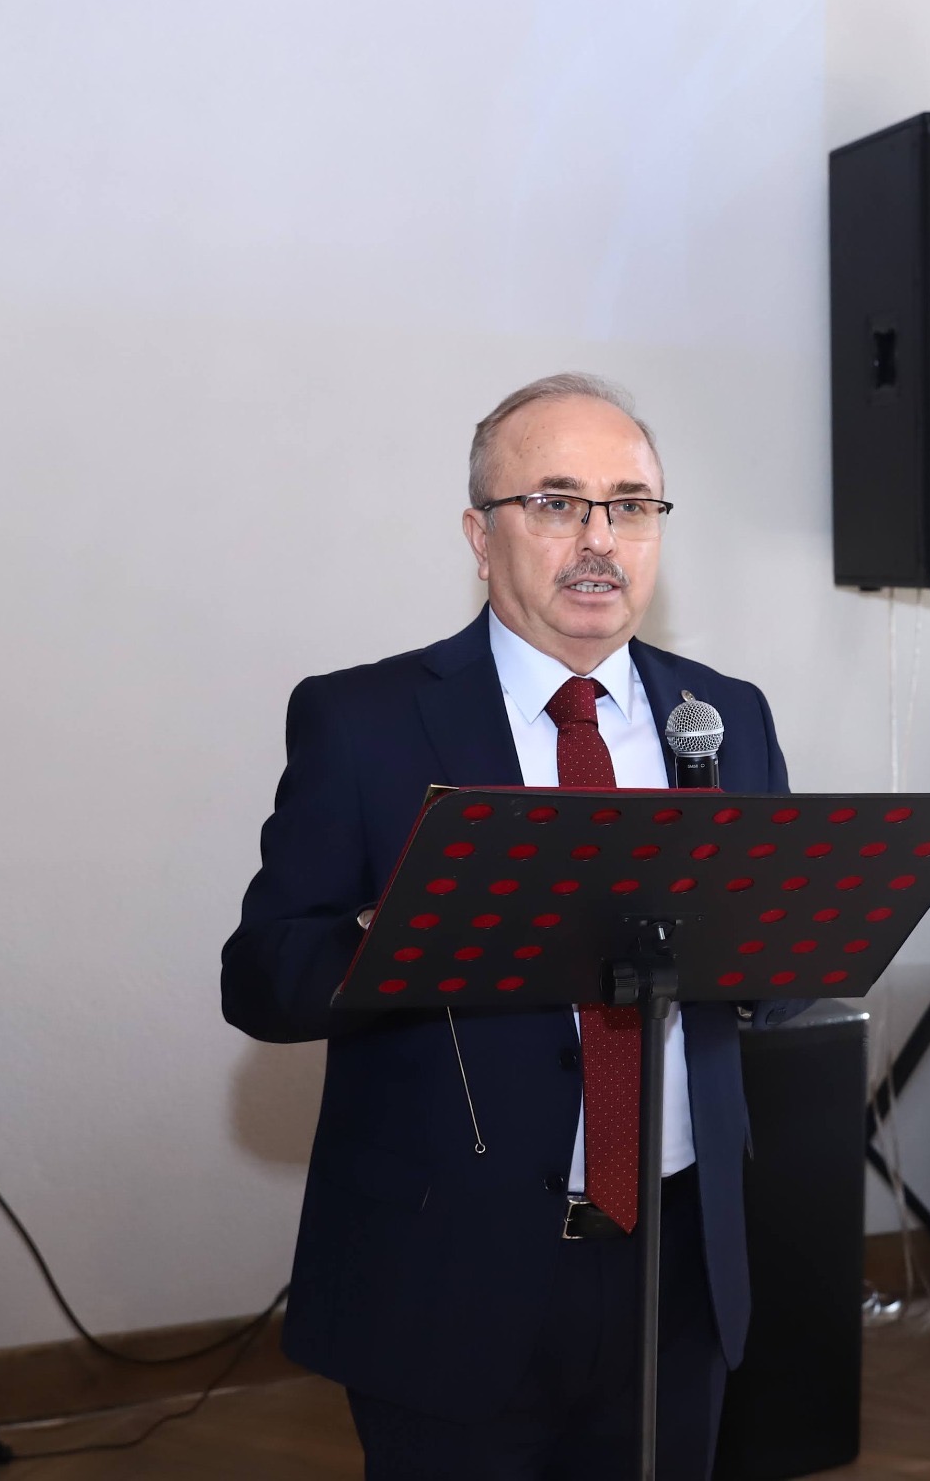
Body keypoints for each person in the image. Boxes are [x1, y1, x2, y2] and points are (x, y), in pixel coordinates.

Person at [221, 373, 801, 1480]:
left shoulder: (724, 716)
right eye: (556, 502)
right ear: (480, 537)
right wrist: (429, 927)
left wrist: (771, 942)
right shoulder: (366, 722)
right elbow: (263, 976)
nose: (600, 539)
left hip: (678, 1260)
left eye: (630, 505)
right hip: (450, 1272)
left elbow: (764, 981)